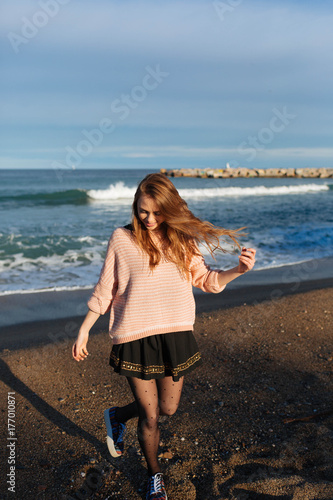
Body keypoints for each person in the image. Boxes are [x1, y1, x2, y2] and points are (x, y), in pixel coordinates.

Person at [72, 173, 256, 500]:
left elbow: (206, 280)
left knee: (168, 409)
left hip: (175, 334)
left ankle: (117, 415)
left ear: (169, 209)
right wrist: (84, 329)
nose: (150, 219)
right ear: (135, 207)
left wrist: (237, 271)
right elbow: (105, 290)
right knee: (152, 415)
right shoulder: (121, 239)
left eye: (158, 213)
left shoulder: (183, 240)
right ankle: (154, 476)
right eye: (144, 211)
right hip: (134, 337)